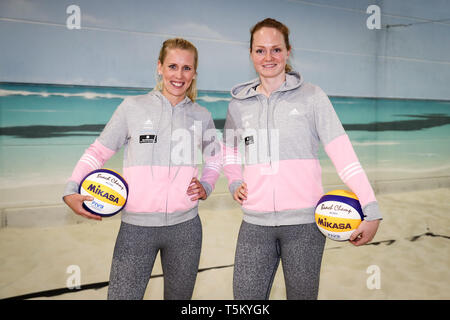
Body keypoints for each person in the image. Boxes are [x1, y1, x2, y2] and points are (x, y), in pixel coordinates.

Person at [222, 18, 382, 300]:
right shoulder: (239, 105)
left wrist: (370, 207)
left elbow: (343, 153)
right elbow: (230, 151)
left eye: (276, 49)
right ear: (251, 54)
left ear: (287, 51)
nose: (268, 57)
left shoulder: (313, 97)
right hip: (254, 225)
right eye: (260, 50)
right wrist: (234, 181)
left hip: (306, 226)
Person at [63, 38, 221, 300]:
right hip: (136, 229)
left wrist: (206, 185)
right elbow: (98, 152)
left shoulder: (200, 115)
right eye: (172, 66)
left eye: (186, 68)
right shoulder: (132, 108)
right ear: (159, 67)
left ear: (194, 73)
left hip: (186, 229)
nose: (179, 75)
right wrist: (71, 188)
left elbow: (216, 158)